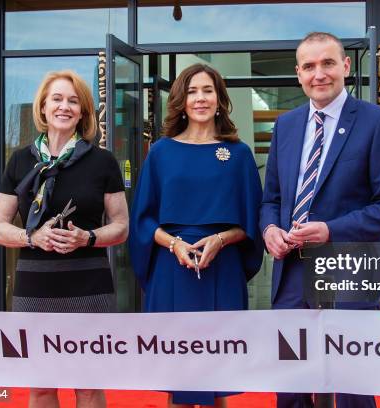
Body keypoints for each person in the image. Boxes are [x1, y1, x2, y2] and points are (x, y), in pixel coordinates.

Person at [260, 32, 380, 408]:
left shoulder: (377, 122)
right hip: (292, 274)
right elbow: (272, 198)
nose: (318, 74)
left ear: (345, 66)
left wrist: (330, 230)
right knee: (291, 385)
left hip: (350, 272)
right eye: (309, 66)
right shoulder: (286, 126)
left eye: (327, 63)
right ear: (298, 74)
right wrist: (270, 229)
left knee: (351, 386)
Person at [0, 70, 129, 408]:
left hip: (89, 287)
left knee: (87, 387)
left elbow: (122, 226)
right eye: (57, 99)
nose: (64, 106)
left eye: (73, 101)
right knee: (40, 387)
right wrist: (32, 237)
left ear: (82, 112)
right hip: (35, 289)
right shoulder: (20, 160)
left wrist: (90, 237)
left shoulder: (103, 161)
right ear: (43, 107)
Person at [129, 63, 263, 408]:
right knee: (180, 377)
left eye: (207, 90)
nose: (200, 98)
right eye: (191, 91)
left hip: (222, 267)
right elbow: (143, 220)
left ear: (219, 99)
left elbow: (252, 222)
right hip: (172, 270)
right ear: (180, 101)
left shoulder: (238, 154)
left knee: (217, 377)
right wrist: (174, 244)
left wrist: (220, 240)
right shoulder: (160, 152)